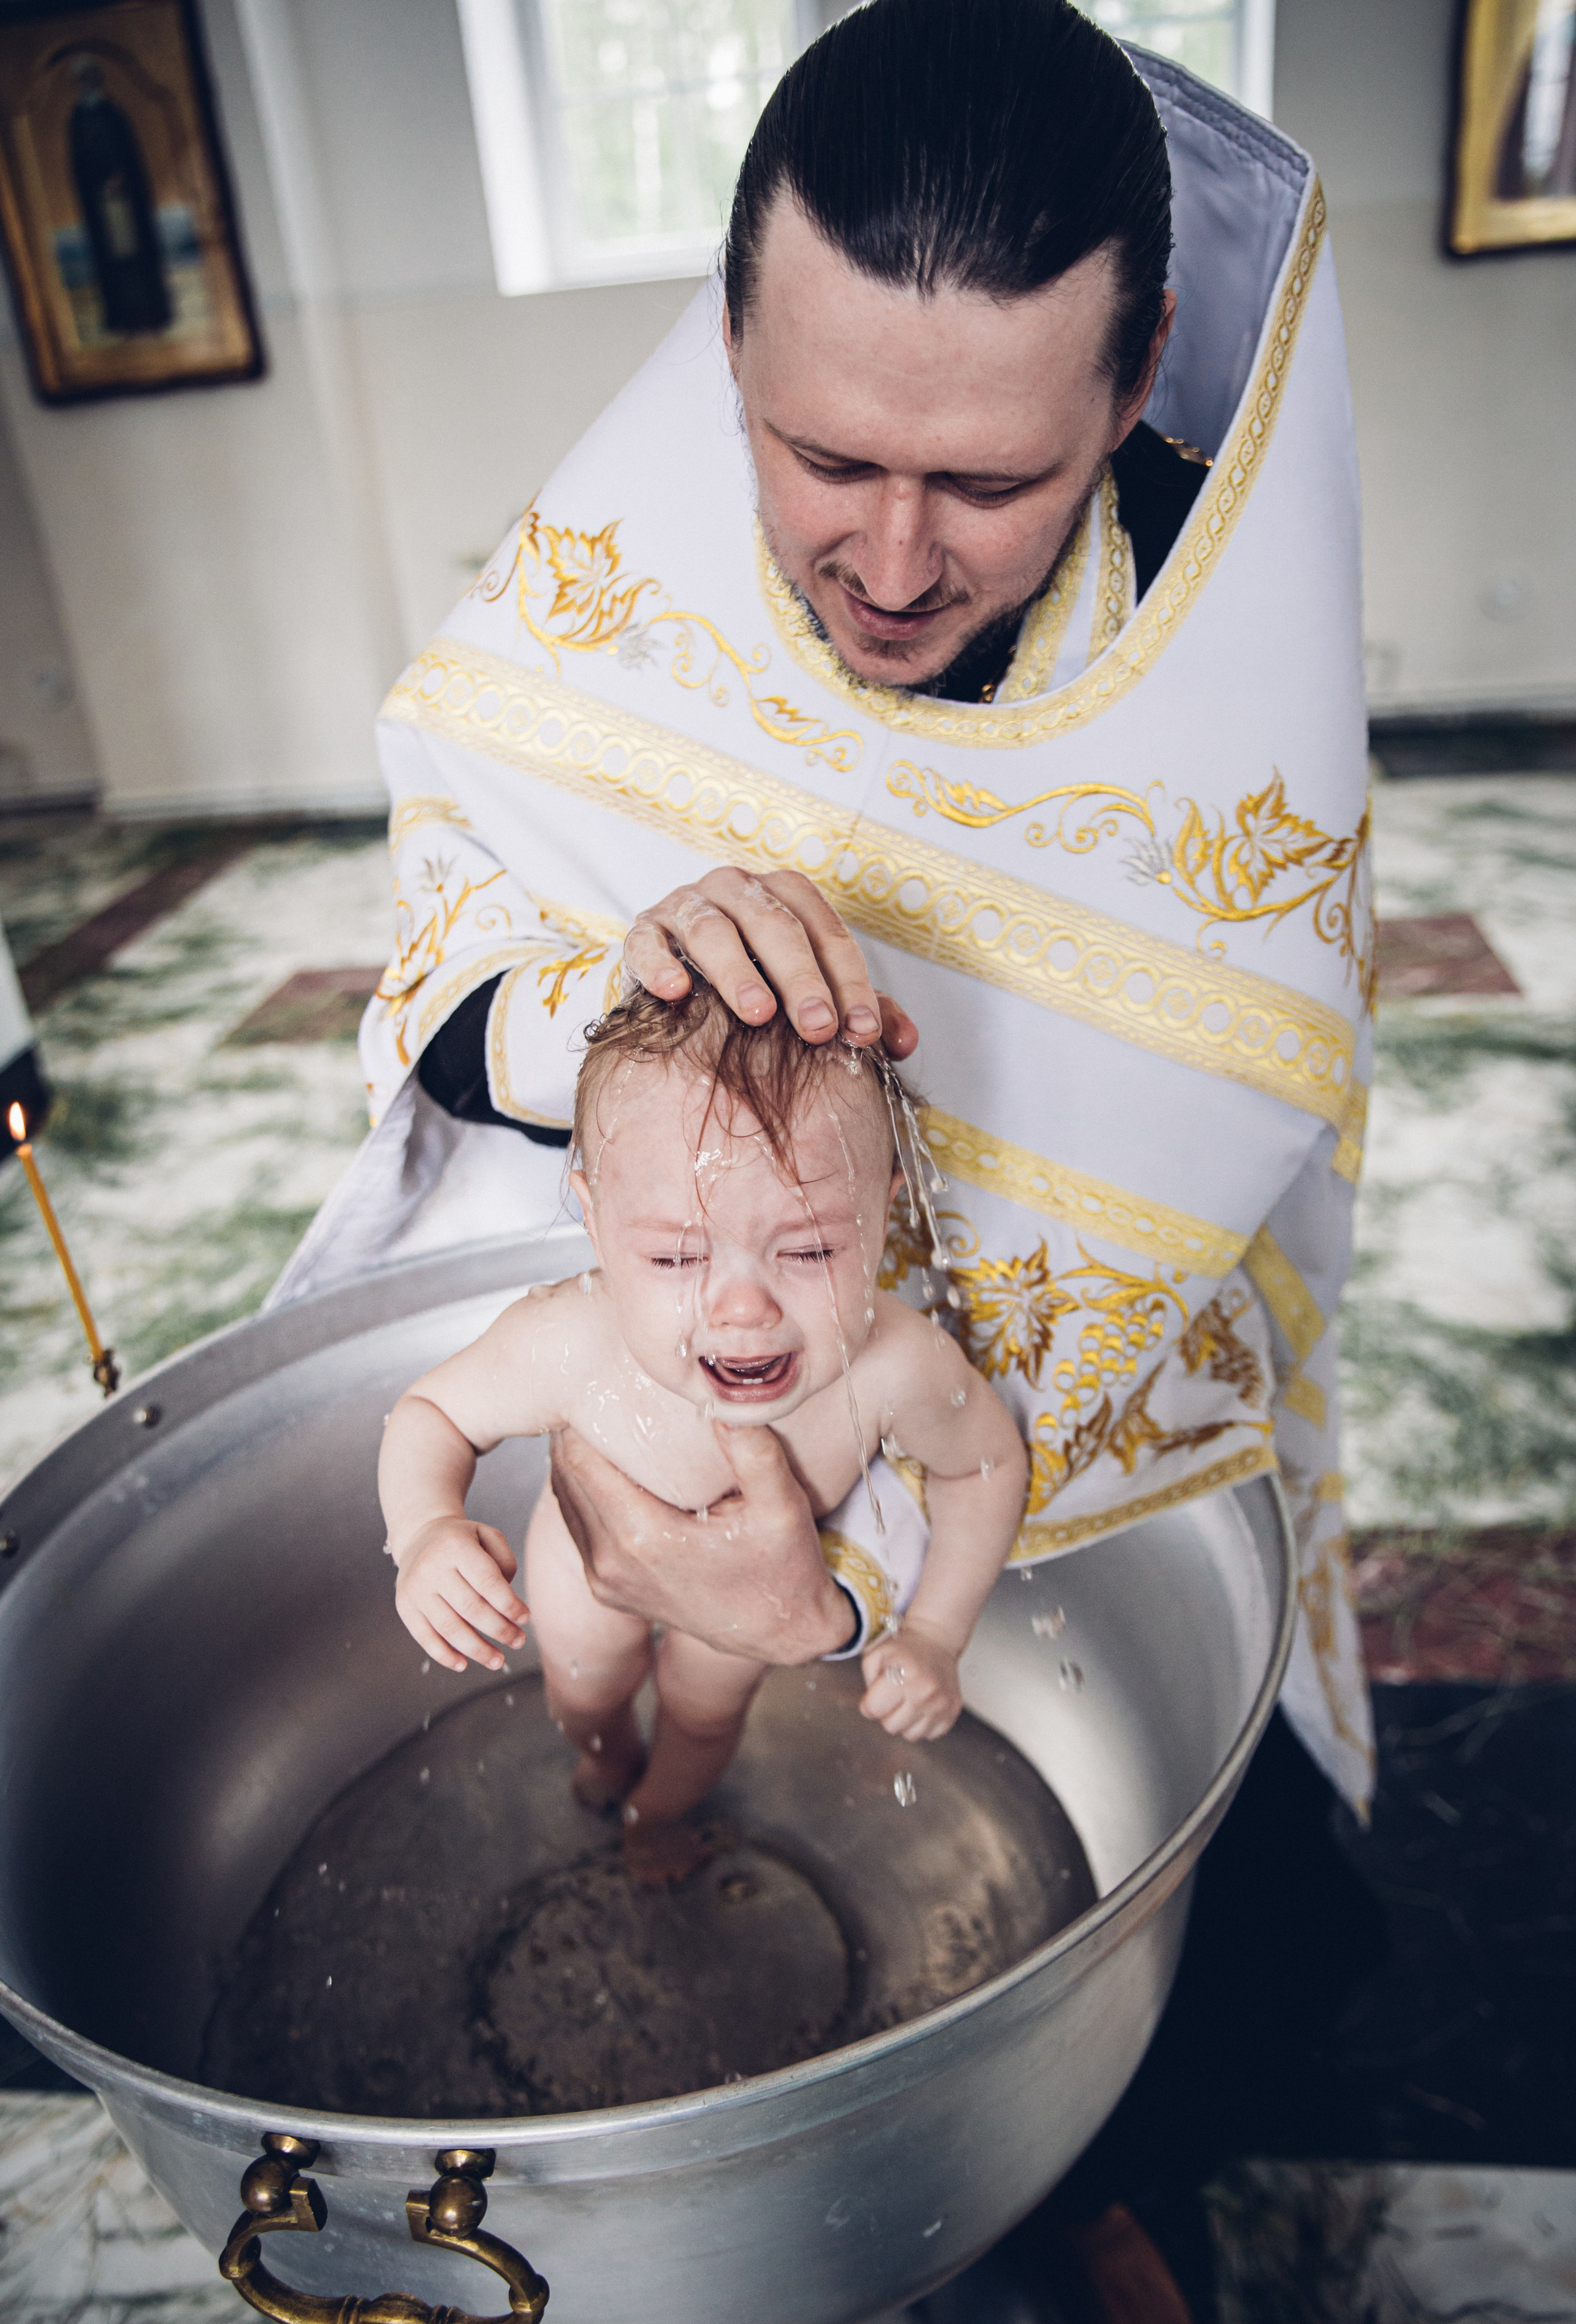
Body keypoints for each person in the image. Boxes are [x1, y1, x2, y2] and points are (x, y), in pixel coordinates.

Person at [275, 3, 1381, 2312]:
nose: (886, 561)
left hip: (1057, 1423)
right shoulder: (623, 573)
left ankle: (1085, 2162)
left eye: (986, 483)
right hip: (648, 1363)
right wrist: (605, 1006)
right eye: (819, 453)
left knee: (1218, 1889)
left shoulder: (1216, 702)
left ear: (1134, 380)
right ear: (728, 343)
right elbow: (447, 940)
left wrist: (898, 1560)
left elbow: (1222, 1093)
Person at [379, 983, 1026, 1882]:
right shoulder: (567, 1341)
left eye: (810, 1251)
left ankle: (656, 1813)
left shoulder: (896, 1366)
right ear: (595, 1220)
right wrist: (426, 1530)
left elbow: (985, 1465)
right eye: (676, 1256)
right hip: (583, 1565)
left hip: (753, 1594)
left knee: (704, 1716)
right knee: (584, 1689)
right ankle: (606, 1760)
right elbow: (433, 1415)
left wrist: (935, 1635)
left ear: (886, 1211)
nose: (742, 1306)